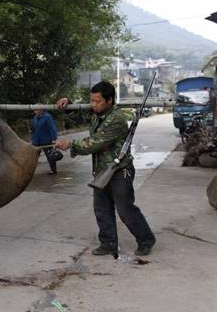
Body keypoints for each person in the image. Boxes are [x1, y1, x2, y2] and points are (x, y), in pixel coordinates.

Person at [54, 81, 156, 256]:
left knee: (125, 210)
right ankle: (108, 243)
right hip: (102, 171)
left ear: (109, 100)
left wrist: (70, 143)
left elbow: (94, 143)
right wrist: (67, 102)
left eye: (97, 101)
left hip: (119, 172)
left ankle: (146, 240)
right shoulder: (98, 113)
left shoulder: (116, 119)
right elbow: (79, 114)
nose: (93, 105)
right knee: (101, 209)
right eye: (91, 101)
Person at [32, 109, 59, 174]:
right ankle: (30, 171)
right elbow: (34, 128)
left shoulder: (47, 117)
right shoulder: (35, 117)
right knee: (33, 157)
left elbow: (52, 127)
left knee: (50, 156)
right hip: (36, 140)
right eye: (34, 110)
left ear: (41, 110)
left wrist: (54, 138)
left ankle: (53, 170)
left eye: (36, 110)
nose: (35, 111)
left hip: (46, 140)